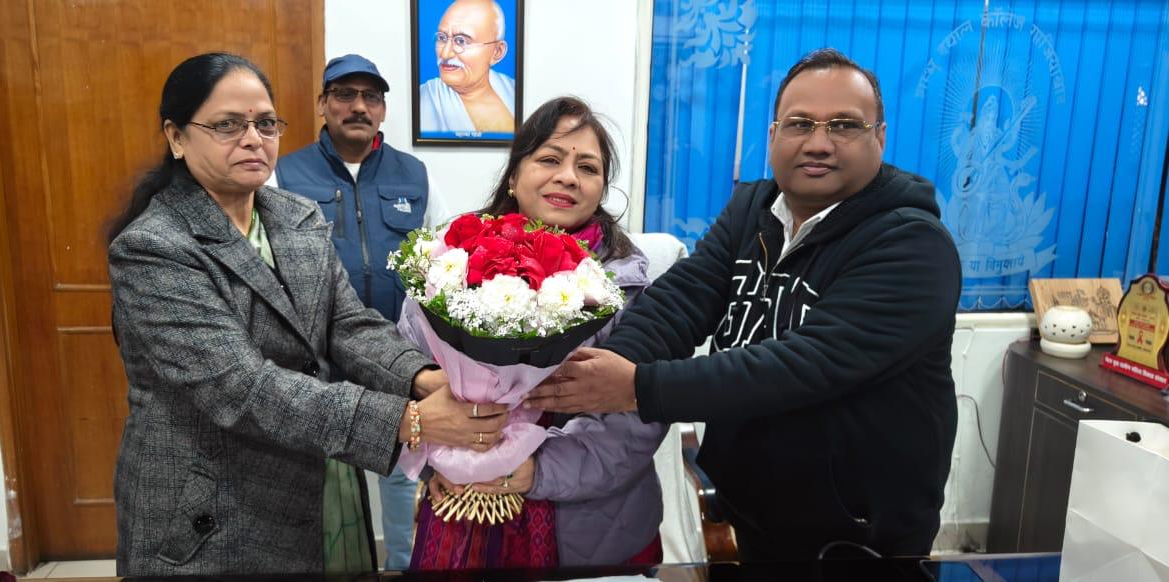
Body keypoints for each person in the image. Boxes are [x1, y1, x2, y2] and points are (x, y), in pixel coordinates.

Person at [526, 49, 963, 560]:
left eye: (844, 125)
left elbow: (803, 366)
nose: (819, 143)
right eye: (800, 123)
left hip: (856, 534)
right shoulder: (754, 209)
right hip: (749, 510)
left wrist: (637, 387)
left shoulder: (913, 245)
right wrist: (593, 374)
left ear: (880, 137)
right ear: (774, 133)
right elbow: (682, 300)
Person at [107, 52, 508, 575]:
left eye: (265, 123)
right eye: (227, 125)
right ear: (177, 137)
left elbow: (347, 323)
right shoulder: (153, 247)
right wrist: (407, 419)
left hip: (304, 478)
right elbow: (242, 388)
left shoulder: (294, 216)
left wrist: (423, 377)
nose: (252, 139)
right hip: (208, 507)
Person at [405, 97, 666, 569]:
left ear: (601, 189)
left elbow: (637, 422)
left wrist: (535, 470)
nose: (568, 177)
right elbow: (406, 371)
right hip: (460, 502)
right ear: (513, 175)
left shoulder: (628, 289)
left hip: (588, 526)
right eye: (549, 159)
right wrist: (436, 458)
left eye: (587, 167)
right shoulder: (447, 266)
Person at [269, 53, 448, 570]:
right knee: (321, 474)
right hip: (318, 356)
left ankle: (402, 565)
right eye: (345, 94)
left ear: (383, 109)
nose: (359, 106)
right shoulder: (285, 174)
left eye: (371, 96)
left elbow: (445, 260)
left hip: (396, 355)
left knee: (402, 469)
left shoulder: (415, 175)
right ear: (322, 104)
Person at [419, 0, 515, 137]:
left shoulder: (512, 89)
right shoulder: (424, 99)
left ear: (497, 52)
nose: (445, 54)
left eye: (461, 41)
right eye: (442, 38)